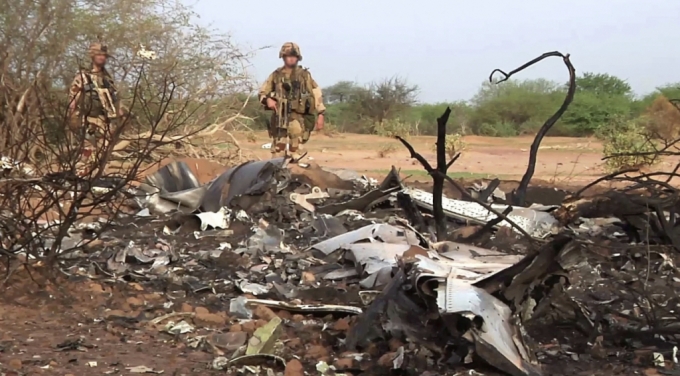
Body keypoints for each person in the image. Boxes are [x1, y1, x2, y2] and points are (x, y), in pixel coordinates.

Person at [258, 42, 325, 159]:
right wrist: (268, 100)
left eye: (293, 56)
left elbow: (316, 93)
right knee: (278, 149)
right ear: (283, 57)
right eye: (288, 56)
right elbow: (262, 92)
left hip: (298, 117)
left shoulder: (304, 75)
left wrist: (321, 114)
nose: (291, 59)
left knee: (296, 149)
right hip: (280, 117)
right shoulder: (276, 75)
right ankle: (278, 174)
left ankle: (296, 174)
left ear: (298, 58)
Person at [68, 42, 119, 172]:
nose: (102, 57)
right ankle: (78, 181)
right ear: (93, 56)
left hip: (106, 123)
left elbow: (115, 101)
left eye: (104, 55)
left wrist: (117, 119)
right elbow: (73, 99)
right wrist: (74, 118)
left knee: (103, 156)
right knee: (87, 153)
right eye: (99, 55)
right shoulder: (83, 77)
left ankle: (96, 180)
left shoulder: (108, 79)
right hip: (89, 121)